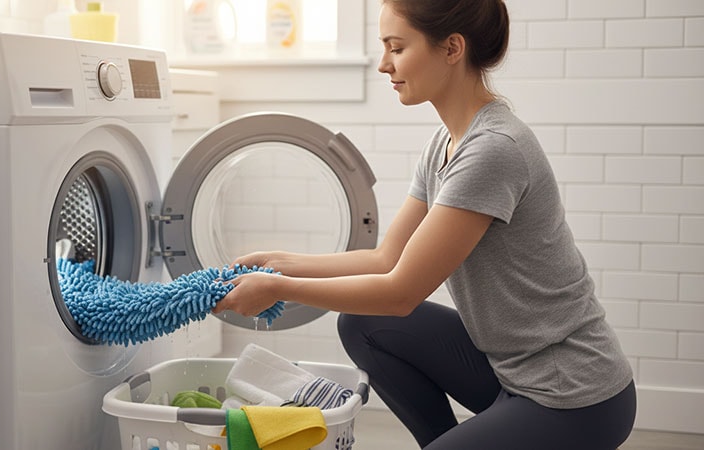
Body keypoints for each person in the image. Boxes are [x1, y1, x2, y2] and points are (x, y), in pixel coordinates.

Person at [213, 0, 637, 448]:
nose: (383, 65)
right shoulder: (444, 144)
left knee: (377, 312)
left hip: (574, 393)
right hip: (507, 370)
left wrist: (277, 288)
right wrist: (280, 265)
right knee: (359, 322)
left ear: (452, 48)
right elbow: (386, 258)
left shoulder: (493, 149)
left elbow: (400, 292)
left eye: (396, 48)